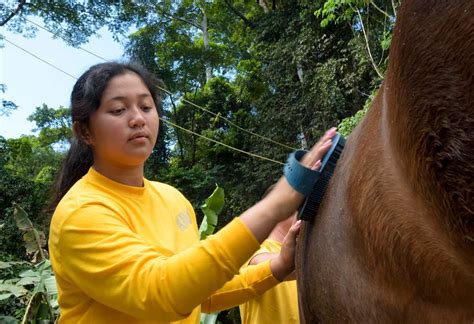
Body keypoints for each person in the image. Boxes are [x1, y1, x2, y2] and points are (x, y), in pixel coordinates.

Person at [48, 61, 336, 323]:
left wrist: (278, 267)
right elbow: (162, 292)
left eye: (146, 107)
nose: (137, 119)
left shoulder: (173, 199)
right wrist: (274, 206)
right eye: (118, 110)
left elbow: (200, 292)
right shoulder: (81, 211)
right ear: (85, 132)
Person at [239, 187, 299, 324]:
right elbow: (261, 264)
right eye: (297, 205)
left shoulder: (301, 255)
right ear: (278, 212)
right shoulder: (253, 251)